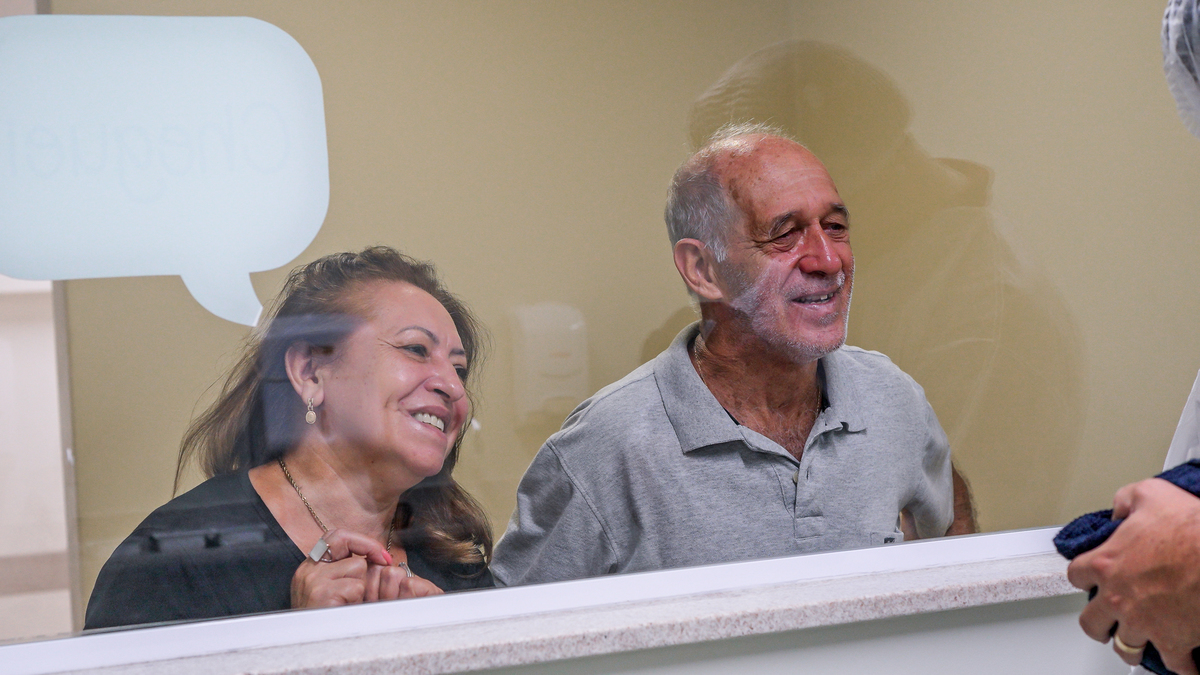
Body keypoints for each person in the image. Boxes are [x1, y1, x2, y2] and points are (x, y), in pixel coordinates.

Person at [490, 126, 973, 586]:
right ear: (702, 269)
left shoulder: (891, 397)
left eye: (836, 227)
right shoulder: (605, 448)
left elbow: (953, 522)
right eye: (785, 234)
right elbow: (511, 629)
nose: (828, 260)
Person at [85, 247, 493, 629]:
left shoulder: (456, 562)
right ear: (310, 373)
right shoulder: (172, 562)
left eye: (459, 370)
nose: (452, 388)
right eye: (416, 349)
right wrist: (298, 647)